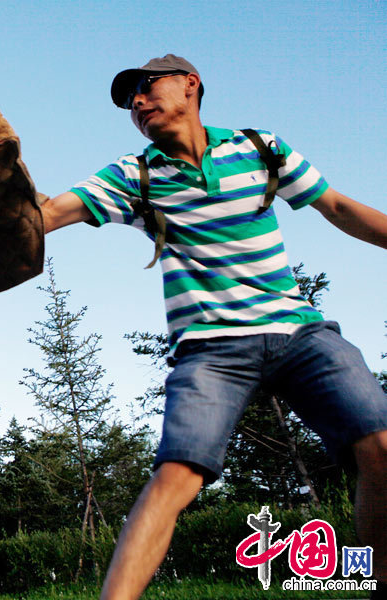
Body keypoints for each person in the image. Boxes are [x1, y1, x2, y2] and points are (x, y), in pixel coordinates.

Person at [40, 54, 387, 600]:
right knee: (178, 474)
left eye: (147, 86)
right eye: (130, 99)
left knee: (382, 441)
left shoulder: (259, 147)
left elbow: (339, 206)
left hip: (300, 332)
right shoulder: (135, 174)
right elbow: (51, 214)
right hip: (211, 348)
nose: (136, 102)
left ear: (191, 85)